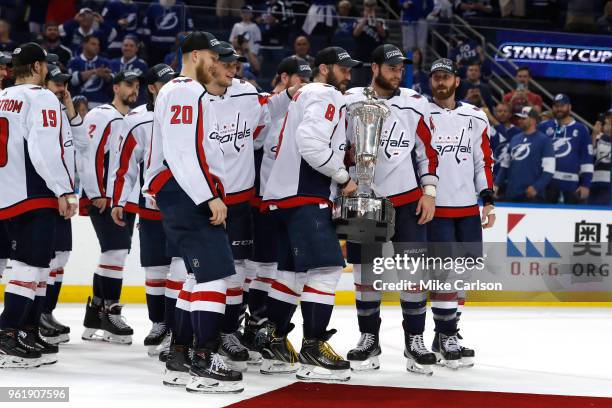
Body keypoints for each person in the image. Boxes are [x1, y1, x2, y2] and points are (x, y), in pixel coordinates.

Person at [142, 31, 244, 393]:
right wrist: (207, 196)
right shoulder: (185, 89)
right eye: (214, 57)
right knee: (215, 276)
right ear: (197, 55)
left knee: (195, 277)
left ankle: (180, 355)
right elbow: (183, 152)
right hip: (186, 191)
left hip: (178, 190)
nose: (218, 64)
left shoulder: (179, 91)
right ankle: (203, 360)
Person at [260, 46, 360, 381]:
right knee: (328, 268)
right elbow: (311, 144)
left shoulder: (305, 95)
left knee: (290, 272)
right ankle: (313, 348)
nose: (348, 74)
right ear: (323, 68)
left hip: (286, 195)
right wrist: (344, 177)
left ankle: (273, 340)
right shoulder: (326, 94)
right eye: (342, 68)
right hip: (308, 194)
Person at [344, 44, 438, 374]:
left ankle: (415, 342)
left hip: (406, 197)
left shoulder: (415, 102)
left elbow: (428, 150)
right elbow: (340, 147)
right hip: (363, 199)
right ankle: (368, 338)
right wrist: (342, 186)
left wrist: (429, 191)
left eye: (401, 69)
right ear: (374, 67)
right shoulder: (351, 99)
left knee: (413, 275)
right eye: (392, 68)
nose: (398, 74)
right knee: (366, 275)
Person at [0, 43, 78, 369]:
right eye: (44, 65)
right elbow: (45, 148)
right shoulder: (41, 97)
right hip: (33, 193)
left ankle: (26, 330)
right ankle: (8, 334)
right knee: (30, 266)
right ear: (36, 66)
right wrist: (64, 190)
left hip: (6, 192)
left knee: (30, 265)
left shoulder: (3, 97)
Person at [202, 42, 270, 371]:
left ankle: (228, 332)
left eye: (236, 63)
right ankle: (188, 337)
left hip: (240, 199)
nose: (234, 68)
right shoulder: (193, 96)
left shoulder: (247, 92)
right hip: (205, 199)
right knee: (199, 273)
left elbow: (260, 131)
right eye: (227, 63)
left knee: (238, 271)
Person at [427, 58, 495, 369]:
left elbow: (483, 162)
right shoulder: (422, 113)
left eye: (445, 77)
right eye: (436, 77)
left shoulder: (475, 116)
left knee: (464, 273)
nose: (440, 82)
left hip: (468, 208)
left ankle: (446, 334)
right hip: (436, 208)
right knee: (444, 273)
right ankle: (446, 335)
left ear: (456, 80)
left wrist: (488, 200)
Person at [109, 64, 180, 357]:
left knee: (179, 268)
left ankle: (177, 328)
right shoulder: (136, 119)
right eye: (165, 83)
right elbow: (123, 165)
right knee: (155, 268)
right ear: (152, 88)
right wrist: (118, 200)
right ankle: (159, 323)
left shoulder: (183, 111)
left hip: (183, 204)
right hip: (151, 205)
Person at [244, 56, 311, 365]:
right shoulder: (264, 104)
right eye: (300, 78)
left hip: (289, 201)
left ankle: (263, 326)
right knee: (259, 266)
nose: (305, 85)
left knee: (277, 268)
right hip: (260, 200)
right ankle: (254, 322)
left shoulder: (305, 109)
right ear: (284, 77)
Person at [79, 70, 140, 345]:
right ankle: (110, 311)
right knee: (115, 251)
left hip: (122, 198)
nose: (133, 89)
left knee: (113, 253)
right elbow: (89, 155)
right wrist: (96, 193)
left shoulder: (128, 119)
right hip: (105, 197)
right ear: (115, 87)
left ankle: (95, 316)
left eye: (137, 85)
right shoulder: (102, 115)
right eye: (128, 84)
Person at [38, 63, 85, 345]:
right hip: (46, 193)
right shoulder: (41, 113)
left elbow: (84, 144)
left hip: (64, 192)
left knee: (60, 256)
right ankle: (37, 315)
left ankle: (46, 312)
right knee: (43, 260)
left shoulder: (63, 113)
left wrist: (70, 108)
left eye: (65, 84)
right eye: (57, 83)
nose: (62, 88)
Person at [537, 94, 593, 204]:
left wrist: (585, 184)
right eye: (556, 106)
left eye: (562, 106)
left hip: (572, 185)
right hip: (547, 184)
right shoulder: (543, 127)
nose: (559, 109)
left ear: (569, 107)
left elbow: (587, 159)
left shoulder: (581, 129)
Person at [495, 106, 555, 203]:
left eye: (523, 118)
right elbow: (505, 165)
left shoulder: (544, 140)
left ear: (533, 120)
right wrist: (496, 185)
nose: (520, 121)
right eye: (520, 118)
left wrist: (536, 187)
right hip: (512, 193)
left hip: (532, 195)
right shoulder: (515, 138)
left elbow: (549, 170)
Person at [141, 0, 194, 65]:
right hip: (155, 47)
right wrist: (147, 44)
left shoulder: (183, 6)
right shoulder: (153, 5)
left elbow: (189, 29)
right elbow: (146, 28)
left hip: (175, 48)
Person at [67, 35, 113, 108]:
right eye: (93, 44)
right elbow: (73, 81)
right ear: (84, 45)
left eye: (98, 44)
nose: (97, 47)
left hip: (101, 104)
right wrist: (94, 72)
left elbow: (113, 81)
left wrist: (105, 76)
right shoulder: (74, 62)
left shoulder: (105, 62)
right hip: (79, 105)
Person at [109, 36, 148, 105]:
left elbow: (139, 86)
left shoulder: (142, 65)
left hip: (135, 103)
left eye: (131, 46)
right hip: (115, 102)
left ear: (136, 48)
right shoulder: (113, 63)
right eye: (125, 45)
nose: (128, 48)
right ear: (121, 47)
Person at [490, 102, 520, 178]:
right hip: (492, 173)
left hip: (510, 174)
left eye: (505, 111)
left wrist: (492, 119)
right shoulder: (488, 130)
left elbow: (507, 135)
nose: (502, 113)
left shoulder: (517, 131)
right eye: (499, 111)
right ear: (495, 113)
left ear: (510, 114)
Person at [590, 109, 612, 205]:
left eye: (610, 118)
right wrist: (594, 134)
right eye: (607, 118)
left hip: (609, 183)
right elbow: (590, 154)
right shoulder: (598, 136)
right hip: (594, 181)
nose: (607, 121)